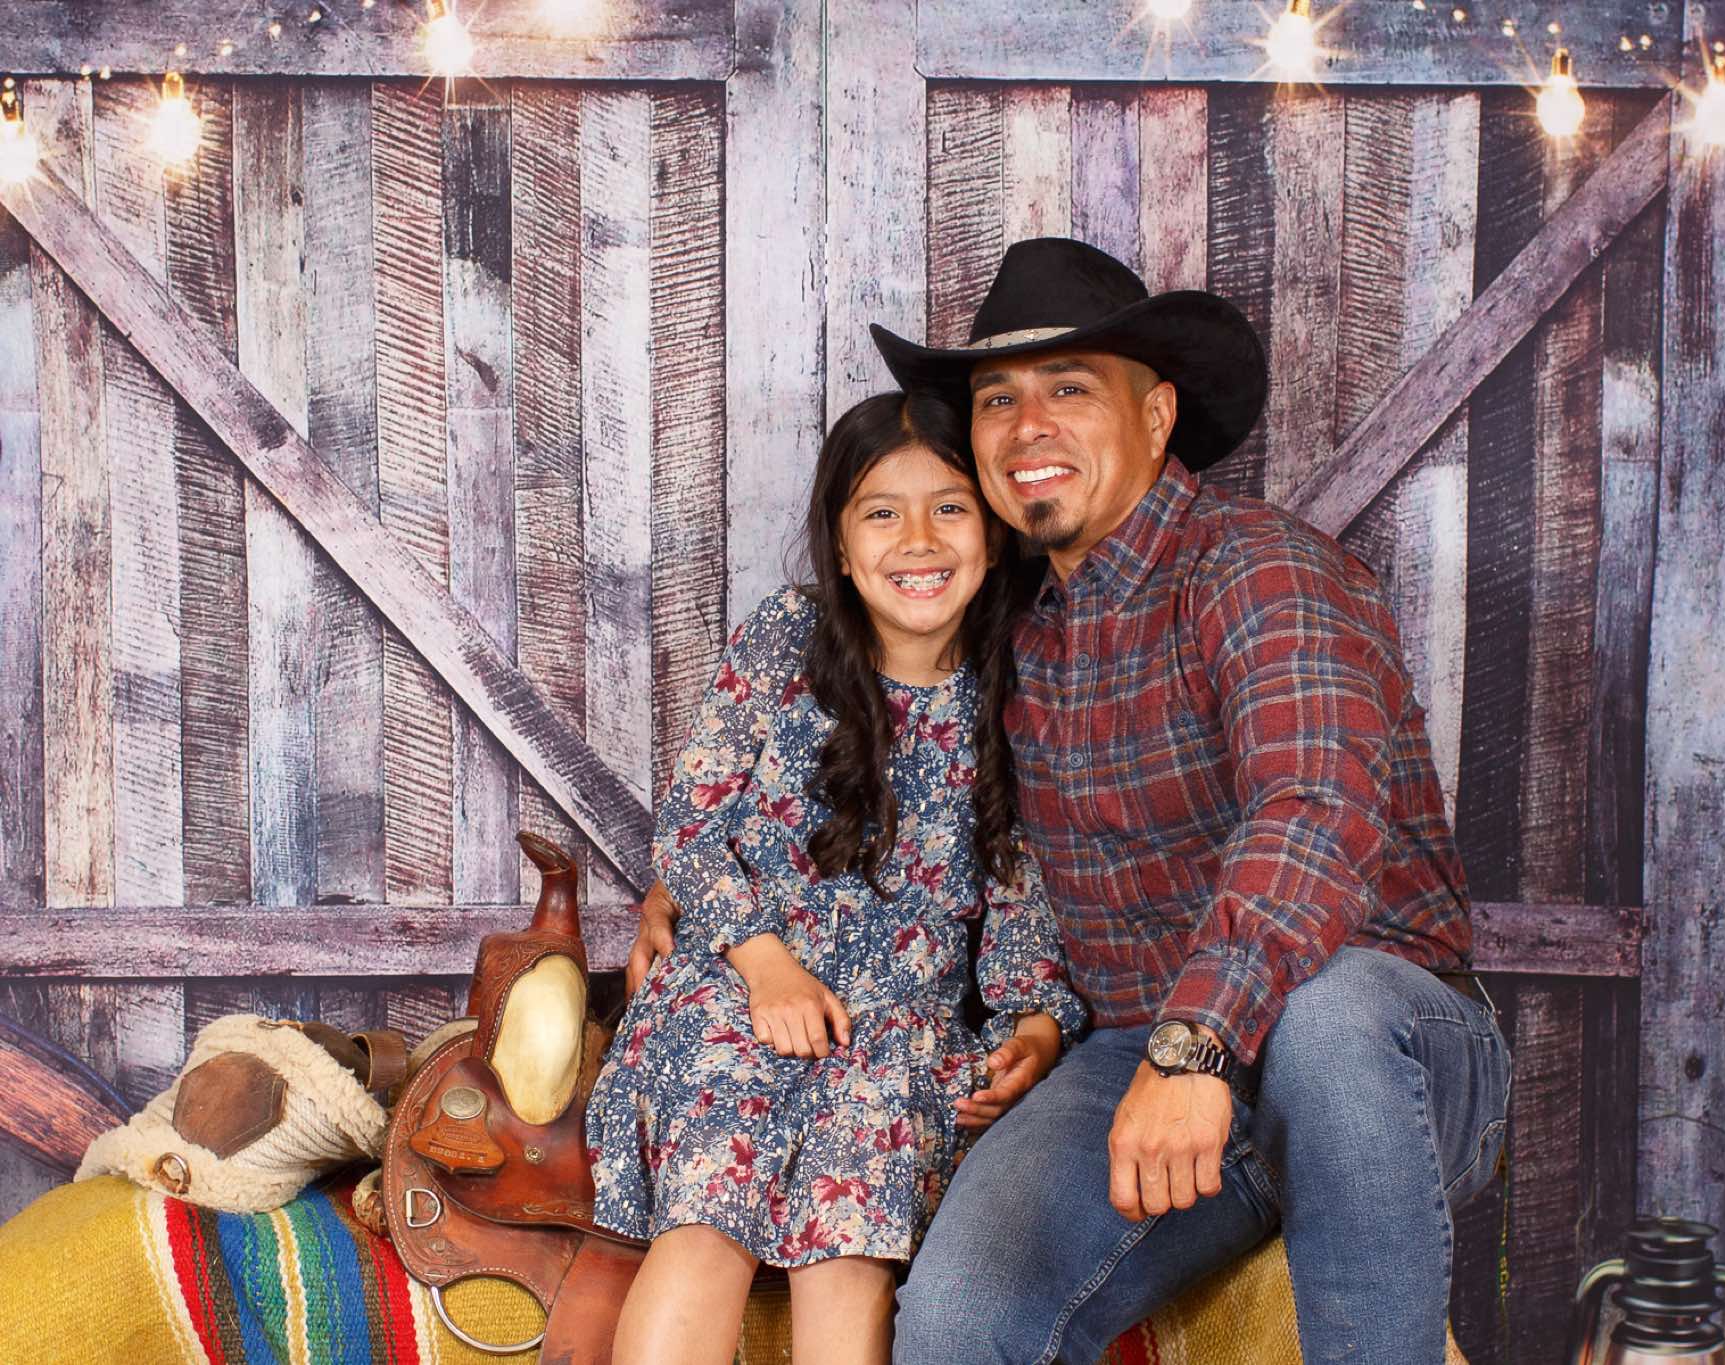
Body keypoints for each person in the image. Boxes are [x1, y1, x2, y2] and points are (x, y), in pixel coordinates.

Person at [868, 237, 1512, 1363]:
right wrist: (711, 885)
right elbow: (890, 783)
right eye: (997, 399)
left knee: (1328, 1017)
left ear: (1156, 415)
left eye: (1070, 389)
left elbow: (1311, 809)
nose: (1026, 428)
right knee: (958, 1319)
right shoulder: (1012, 629)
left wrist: (1196, 1042)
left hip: (1376, 1052)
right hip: (1138, 1053)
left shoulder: (1260, 570)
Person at [589, 390, 1087, 1365]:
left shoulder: (1016, 688)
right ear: (843, 548)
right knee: (710, 1211)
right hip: (737, 991)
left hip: (895, 1034)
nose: (918, 539)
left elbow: (1021, 905)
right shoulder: (790, 638)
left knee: (851, 1237)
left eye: (949, 507)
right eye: (881, 512)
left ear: (993, 535)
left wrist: (1033, 1030)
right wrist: (765, 964)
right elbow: (690, 825)